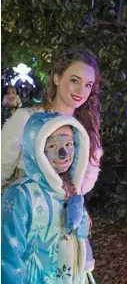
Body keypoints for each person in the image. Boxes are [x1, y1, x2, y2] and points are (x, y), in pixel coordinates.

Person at [1, 112, 95, 283]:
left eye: (69, 144)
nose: (63, 153)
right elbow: (7, 258)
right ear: (37, 148)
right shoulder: (20, 196)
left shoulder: (70, 191)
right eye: (52, 146)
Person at [1, 47, 103, 194]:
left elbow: (85, 184)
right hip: (23, 211)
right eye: (75, 80)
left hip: (64, 213)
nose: (81, 91)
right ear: (57, 78)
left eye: (88, 85)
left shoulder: (85, 129)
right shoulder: (26, 119)